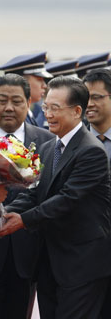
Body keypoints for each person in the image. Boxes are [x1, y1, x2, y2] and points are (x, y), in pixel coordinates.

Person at [0, 76, 111, 319]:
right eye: (46, 107)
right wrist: (0, 214)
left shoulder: (91, 151)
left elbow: (67, 200)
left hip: (81, 263)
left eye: (55, 108)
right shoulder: (50, 147)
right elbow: (36, 192)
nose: (47, 114)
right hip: (49, 260)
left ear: (77, 111)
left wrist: (23, 220)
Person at [0, 74, 54, 319]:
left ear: (28, 103)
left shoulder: (47, 142)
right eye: (2, 100)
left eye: (16, 101)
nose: (9, 108)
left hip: (28, 255)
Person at [83, 68, 111, 318]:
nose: (89, 104)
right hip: (81, 261)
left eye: (97, 97)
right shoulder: (69, 141)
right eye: (85, 97)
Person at [0, 52, 53, 128]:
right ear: (22, 82)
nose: (44, 85)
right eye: (39, 80)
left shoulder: (27, 114)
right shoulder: (15, 119)